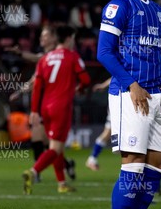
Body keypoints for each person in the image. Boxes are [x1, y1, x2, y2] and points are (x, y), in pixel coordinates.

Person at [97, 0, 161, 209]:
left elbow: (154, 52)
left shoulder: (157, 10)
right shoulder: (118, 5)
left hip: (156, 95)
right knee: (133, 166)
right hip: (132, 95)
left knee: (154, 173)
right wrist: (131, 84)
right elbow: (104, 53)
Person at [22, 26, 90, 194]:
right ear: (67, 39)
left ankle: (61, 183)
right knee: (55, 148)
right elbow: (86, 79)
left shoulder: (44, 59)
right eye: (72, 38)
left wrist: (34, 111)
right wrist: (80, 88)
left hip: (45, 107)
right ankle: (33, 172)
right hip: (61, 107)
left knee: (56, 146)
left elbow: (37, 87)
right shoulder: (72, 56)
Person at [7, 26, 76, 181]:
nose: (42, 39)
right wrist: (20, 91)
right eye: (41, 36)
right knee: (41, 141)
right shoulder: (48, 57)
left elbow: (36, 59)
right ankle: (57, 170)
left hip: (52, 104)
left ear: (54, 37)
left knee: (48, 143)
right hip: (43, 106)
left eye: (45, 36)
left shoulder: (55, 55)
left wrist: (21, 54)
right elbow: (34, 78)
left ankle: (40, 172)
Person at [86, 77, 112, 171]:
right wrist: (103, 85)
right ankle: (92, 159)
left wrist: (103, 85)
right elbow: (117, 74)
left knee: (108, 134)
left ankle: (92, 159)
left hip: (125, 104)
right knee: (107, 133)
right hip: (119, 105)